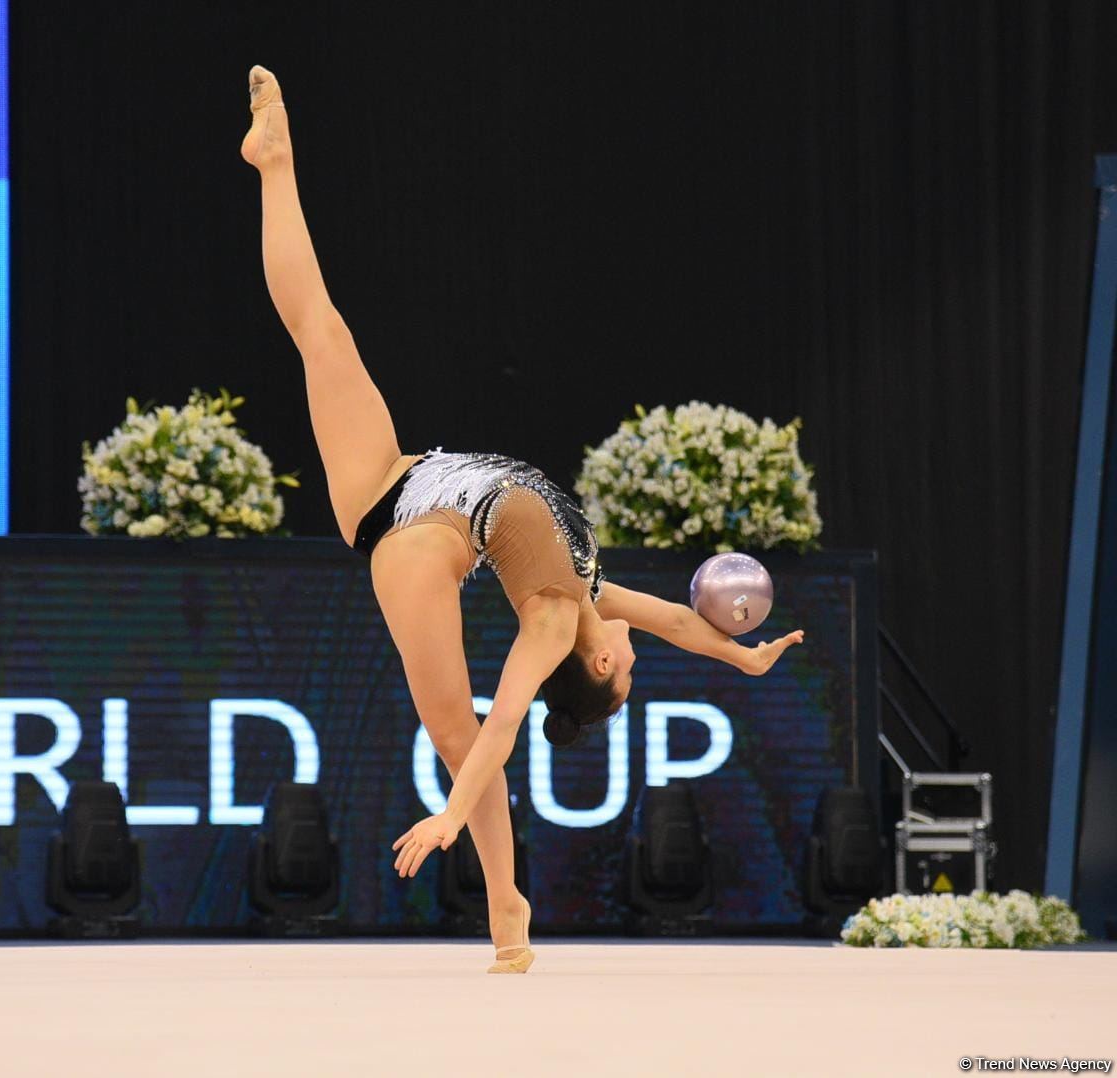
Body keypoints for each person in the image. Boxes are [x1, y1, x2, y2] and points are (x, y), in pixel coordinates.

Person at [240, 66, 804, 972]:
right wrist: (744, 654)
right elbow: (677, 619)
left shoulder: (551, 620)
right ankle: (275, 162)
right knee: (323, 329)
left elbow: (502, 725)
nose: (635, 656)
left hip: (412, 546)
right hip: (401, 476)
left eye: (624, 678)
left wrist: (449, 816)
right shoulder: (587, 589)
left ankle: (506, 905)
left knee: (459, 736)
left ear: (599, 660)